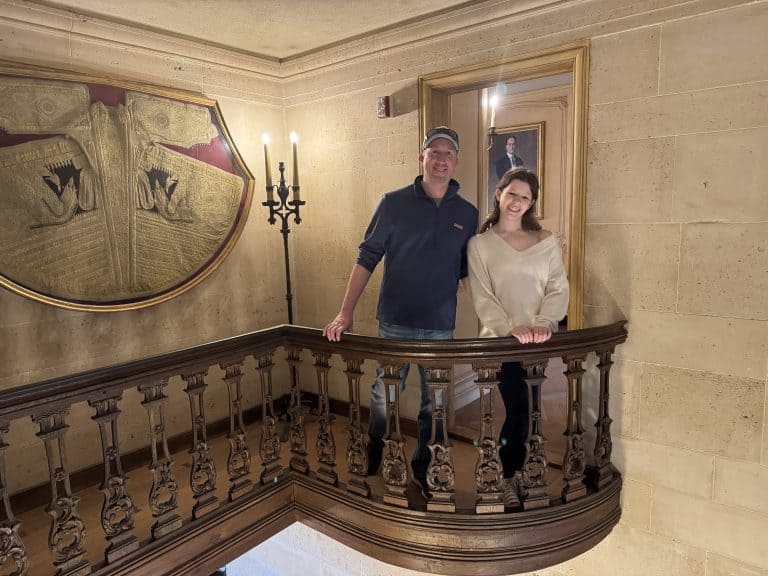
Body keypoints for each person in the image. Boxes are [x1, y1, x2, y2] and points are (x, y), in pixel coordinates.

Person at [323, 126, 478, 497]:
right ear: (421, 157)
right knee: (383, 395)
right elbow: (367, 258)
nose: (441, 159)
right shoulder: (392, 203)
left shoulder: (467, 213)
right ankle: (377, 443)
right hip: (395, 321)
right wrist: (345, 313)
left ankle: (425, 467)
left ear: (456, 161)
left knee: (435, 403)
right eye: (434, 151)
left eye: (448, 154)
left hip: (440, 326)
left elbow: (468, 269)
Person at [467, 168, 569, 505]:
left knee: (532, 409)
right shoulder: (480, 245)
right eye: (513, 194)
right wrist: (509, 326)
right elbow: (482, 295)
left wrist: (545, 321)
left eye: (525, 197)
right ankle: (509, 475)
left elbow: (557, 286)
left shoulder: (546, 241)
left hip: (538, 341)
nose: (517, 202)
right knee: (519, 409)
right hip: (502, 341)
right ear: (499, 194)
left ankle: (519, 470)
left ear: (532, 203)